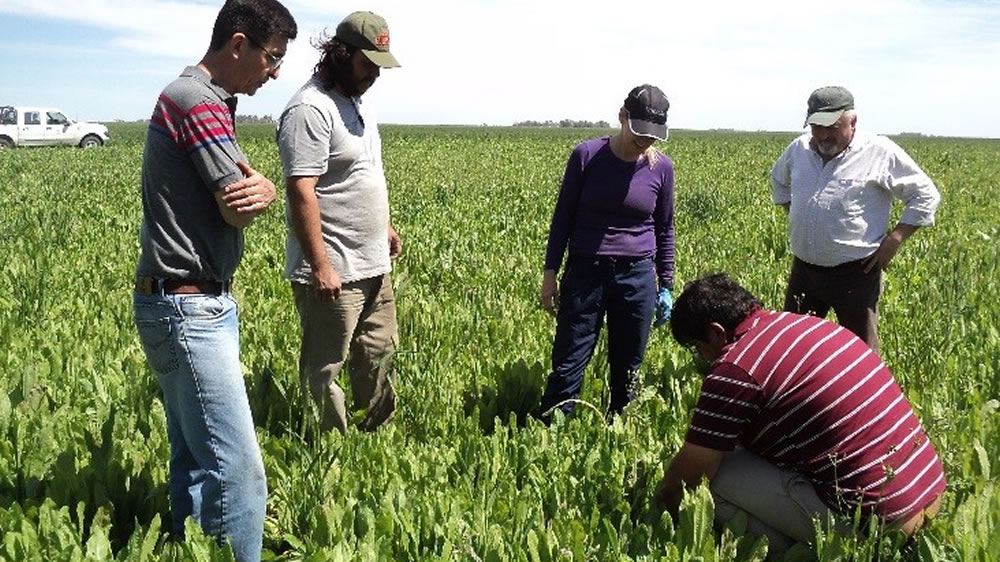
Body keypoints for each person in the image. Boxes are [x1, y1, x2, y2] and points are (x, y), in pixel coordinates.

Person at [132, 1, 296, 560]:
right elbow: (237, 204)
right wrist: (266, 192)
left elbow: (236, 190)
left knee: (197, 465)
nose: (274, 73)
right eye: (271, 58)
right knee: (239, 472)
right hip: (187, 309)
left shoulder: (201, 100)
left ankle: (191, 551)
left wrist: (259, 188)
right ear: (238, 44)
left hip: (181, 304)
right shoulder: (196, 101)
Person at [655, 273, 946, 556]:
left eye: (698, 347)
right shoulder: (808, 325)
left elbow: (689, 475)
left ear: (716, 332)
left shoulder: (735, 369)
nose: (702, 358)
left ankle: (798, 551)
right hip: (929, 498)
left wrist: (653, 510)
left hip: (877, 529)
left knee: (713, 478)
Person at [277, 11, 401, 435]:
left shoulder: (354, 100)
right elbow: (301, 190)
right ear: (341, 54)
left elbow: (358, 172)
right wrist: (320, 265)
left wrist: (381, 227)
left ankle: (376, 442)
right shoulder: (309, 109)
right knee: (325, 368)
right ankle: (329, 450)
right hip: (334, 270)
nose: (374, 75)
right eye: (368, 64)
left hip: (372, 264)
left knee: (379, 352)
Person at [535, 84, 675, 421]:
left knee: (628, 368)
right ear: (622, 116)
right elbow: (563, 218)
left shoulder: (661, 168)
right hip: (586, 273)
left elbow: (665, 227)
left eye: (654, 135)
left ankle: (619, 432)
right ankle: (553, 432)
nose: (646, 141)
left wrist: (666, 284)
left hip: (638, 277)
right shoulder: (586, 156)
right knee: (569, 361)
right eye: (641, 132)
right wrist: (550, 273)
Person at [771, 85, 940, 352]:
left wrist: (895, 239)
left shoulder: (879, 152)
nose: (823, 135)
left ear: (853, 122)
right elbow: (779, 181)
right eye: (816, 126)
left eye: (833, 127)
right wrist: (796, 215)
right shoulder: (799, 149)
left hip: (855, 274)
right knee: (793, 350)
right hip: (804, 271)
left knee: (861, 355)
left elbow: (925, 194)